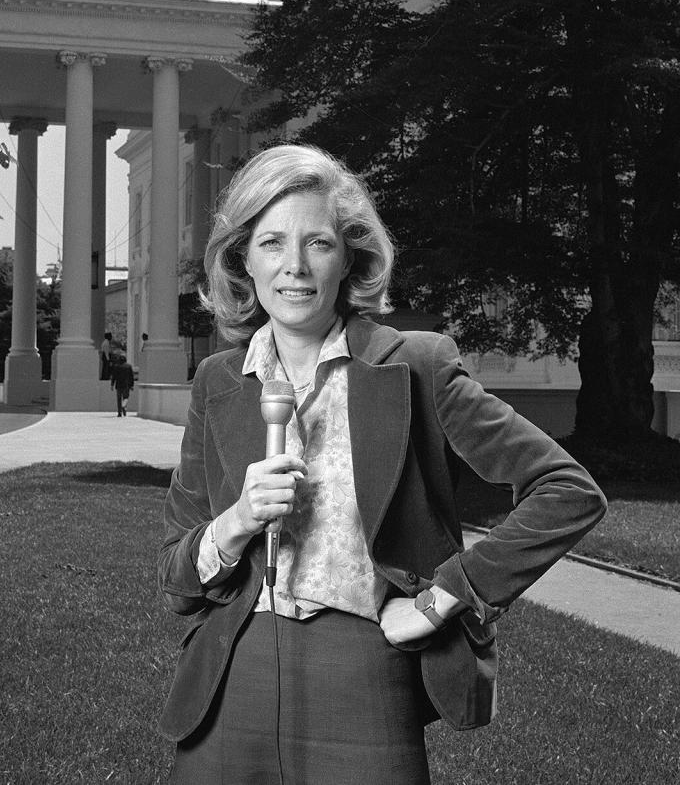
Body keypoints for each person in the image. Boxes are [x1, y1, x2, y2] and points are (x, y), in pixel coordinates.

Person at [157, 144, 606, 784]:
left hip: (364, 667)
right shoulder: (218, 381)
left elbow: (568, 490)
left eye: (317, 243)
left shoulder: (414, 366)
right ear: (242, 261)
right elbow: (175, 582)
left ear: (349, 258)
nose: (294, 267)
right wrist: (233, 523)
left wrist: (443, 598)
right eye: (271, 244)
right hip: (235, 672)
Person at [111, 352, 135, 417]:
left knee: (119, 399)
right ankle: (124, 406)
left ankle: (119, 413)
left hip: (118, 385)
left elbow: (114, 376)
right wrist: (132, 385)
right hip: (126, 385)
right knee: (126, 397)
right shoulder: (128, 366)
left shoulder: (116, 366)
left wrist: (112, 384)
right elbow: (131, 377)